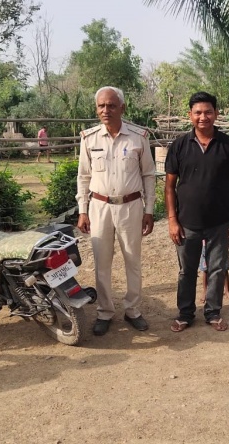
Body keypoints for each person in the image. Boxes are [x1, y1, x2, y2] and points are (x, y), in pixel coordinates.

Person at [76, 86, 156, 335]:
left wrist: (149, 210)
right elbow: (83, 177)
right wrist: (83, 210)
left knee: (133, 260)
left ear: (122, 108)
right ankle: (105, 312)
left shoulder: (138, 137)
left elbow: (149, 175)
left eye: (111, 105)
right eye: (101, 105)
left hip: (130, 207)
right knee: (102, 263)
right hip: (99, 207)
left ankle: (133, 310)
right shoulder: (89, 139)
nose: (105, 110)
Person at [165, 91, 229, 332]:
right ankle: (185, 313)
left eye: (208, 112)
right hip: (186, 221)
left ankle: (213, 312)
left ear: (216, 114)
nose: (203, 117)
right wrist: (172, 220)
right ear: (190, 115)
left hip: (219, 221)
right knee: (187, 270)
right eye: (198, 112)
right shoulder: (179, 145)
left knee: (217, 268)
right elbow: (169, 186)